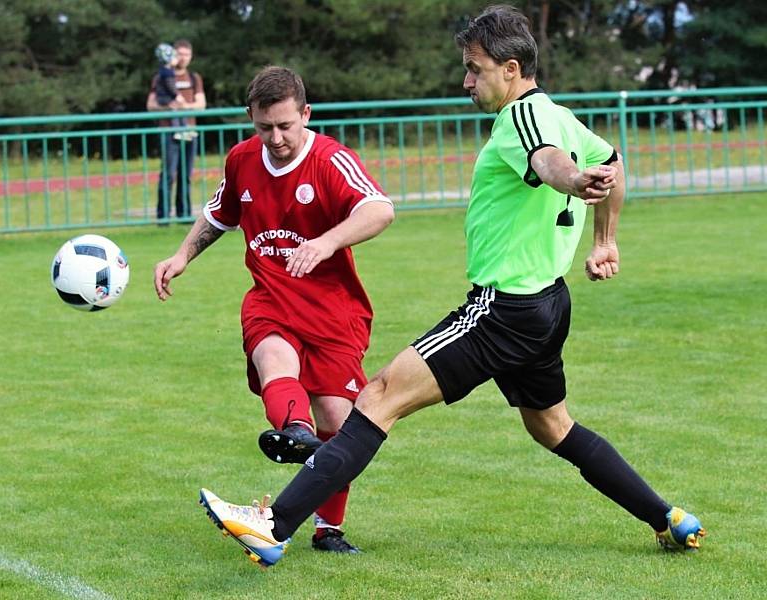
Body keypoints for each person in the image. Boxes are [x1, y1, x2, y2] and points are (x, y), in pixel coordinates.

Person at [199, 5, 705, 568]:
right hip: (547, 304)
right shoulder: (560, 114)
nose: (466, 81)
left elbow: (551, 162)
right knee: (552, 426)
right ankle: (669, 519)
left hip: (502, 308)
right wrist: (604, 240)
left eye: (474, 69)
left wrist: (570, 179)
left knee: (379, 395)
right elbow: (612, 162)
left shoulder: (525, 121)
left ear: (511, 69)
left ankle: (274, 525)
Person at [154, 66, 395, 556]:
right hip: (271, 296)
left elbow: (380, 209)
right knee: (272, 357)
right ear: (251, 119)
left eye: (287, 125)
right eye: (266, 127)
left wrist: (325, 244)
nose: (277, 138)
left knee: (340, 416)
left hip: (334, 310)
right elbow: (218, 213)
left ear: (306, 114)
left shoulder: (331, 160)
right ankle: (296, 433)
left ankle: (328, 529)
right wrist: (181, 255)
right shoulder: (242, 159)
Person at [146, 39, 206, 222]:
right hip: (168, 131)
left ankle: (185, 216)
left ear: (191, 56)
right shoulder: (162, 76)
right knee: (168, 174)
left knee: (186, 175)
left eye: (186, 54)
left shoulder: (194, 78)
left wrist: (185, 107)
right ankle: (163, 217)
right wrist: (170, 107)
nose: (183, 58)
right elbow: (151, 105)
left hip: (189, 131)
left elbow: (201, 104)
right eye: (179, 54)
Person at [153, 43, 187, 133]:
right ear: (168, 59)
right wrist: (177, 95)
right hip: (164, 98)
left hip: (164, 97)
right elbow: (170, 85)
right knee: (176, 109)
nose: (178, 59)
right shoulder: (167, 72)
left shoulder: (165, 71)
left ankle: (183, 129)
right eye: (175, 57)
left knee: (179, 109)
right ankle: (178, 130)